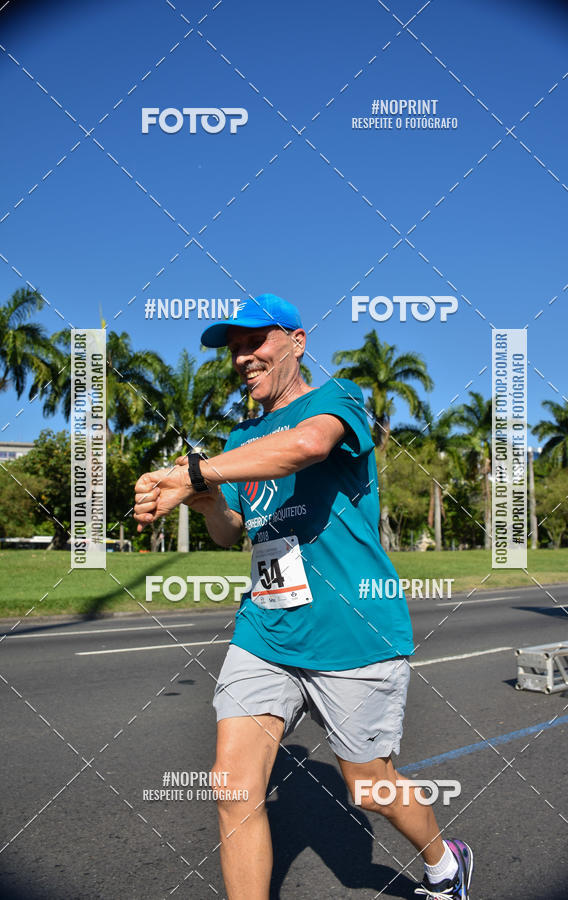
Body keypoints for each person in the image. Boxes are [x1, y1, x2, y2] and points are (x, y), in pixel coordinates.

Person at [133, 294, 473, 900]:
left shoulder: (335, 399)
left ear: (297, 341)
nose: (242, 357)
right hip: (266, 628)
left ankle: (445, 861)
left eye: (254, 341)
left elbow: (307, 447)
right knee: (233, 786)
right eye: (233, 348)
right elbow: (235, 531)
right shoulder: (243, 437)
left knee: (370, 787)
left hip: (353, 631)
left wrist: (194, 474)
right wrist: (207, 501)